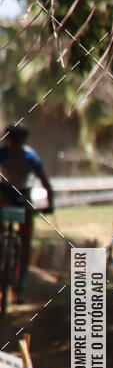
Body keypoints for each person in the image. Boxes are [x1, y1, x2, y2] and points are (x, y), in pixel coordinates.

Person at [0, 123, 54, 303]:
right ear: (7, 140)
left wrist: (50, 204)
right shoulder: (2, 153)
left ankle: (21, 286)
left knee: (25, 242)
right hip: (4, 192)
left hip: (24, 196)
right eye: (12, 140)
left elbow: (45, 182)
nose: (15, 144)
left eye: (18, 141)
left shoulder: (31, 157)